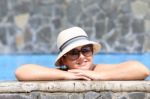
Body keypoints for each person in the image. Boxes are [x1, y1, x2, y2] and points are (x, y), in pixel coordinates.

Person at [15, 27, 150, 81]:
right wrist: (66, 75)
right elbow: (21, 72)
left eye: (85, 50)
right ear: (63, 60)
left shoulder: (98, 69)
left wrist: (99, 76)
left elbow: (142, 70)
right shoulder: (64, 72)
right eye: (74, 53)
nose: (82, 57)